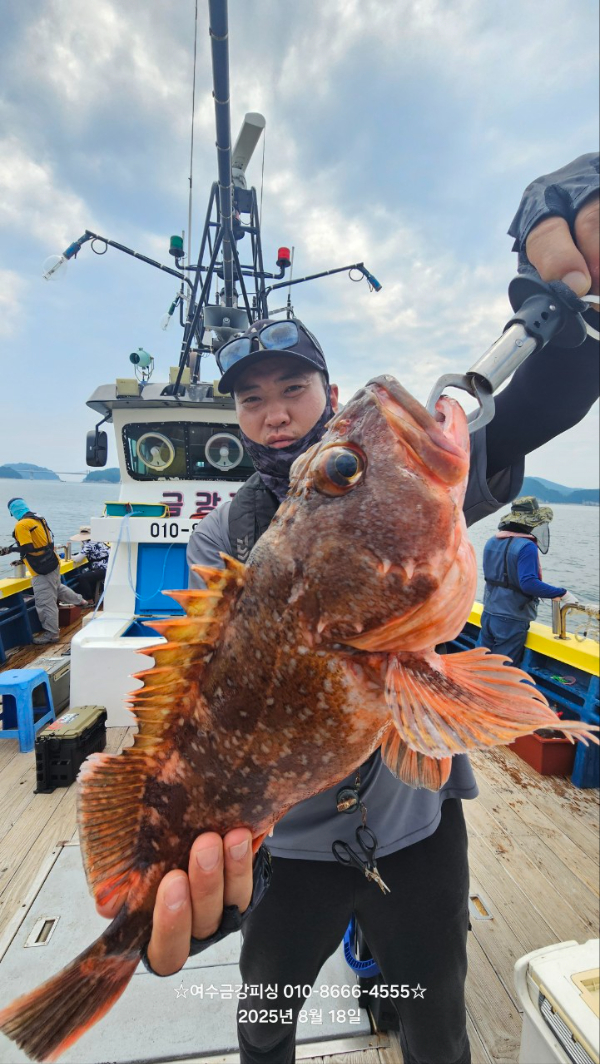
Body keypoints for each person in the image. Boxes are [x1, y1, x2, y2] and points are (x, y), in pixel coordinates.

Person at [97, 152, 599, 1064]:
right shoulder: (223, 539)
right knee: (264, 1015)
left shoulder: (383, 491)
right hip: (289, 848)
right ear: (238, 418)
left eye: (294, 390)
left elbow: (532, 413)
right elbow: (208, 696)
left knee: (432, 1009)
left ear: (325, 394)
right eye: (253, 400)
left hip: (415, 831)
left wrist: (569, 302)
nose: (276, 413)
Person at [480, 496, 577, 666]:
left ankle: (474, 691)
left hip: (489, 612)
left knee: (480, 661)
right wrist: (562, 593)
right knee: (503, 669)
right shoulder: (526, 546)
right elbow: (529, 583)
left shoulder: (492, 541)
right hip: (511, 618)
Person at [5, 498, 92, 645]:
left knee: (45, 602)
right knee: (57, 587)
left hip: (41, 569)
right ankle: (81, 601)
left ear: (13, 511)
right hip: (52, 562)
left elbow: (28, 548)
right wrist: (22, 561)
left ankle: (51, 634)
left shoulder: (22, 524)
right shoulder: (38, 519)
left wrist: (7, 550)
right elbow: (41, 545)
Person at [70, 525, 109, 604]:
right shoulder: (98, 541)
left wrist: (67, 556)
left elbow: (78, 559)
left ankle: (89, 600)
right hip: (108, 567)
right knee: (89, 575)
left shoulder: (89, 544)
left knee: (83, 578)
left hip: (103, 569)